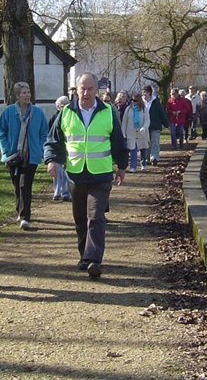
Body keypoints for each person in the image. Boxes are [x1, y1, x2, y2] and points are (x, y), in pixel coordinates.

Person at [44, 72, 128, 279]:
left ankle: (94, 260)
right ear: (76, 90)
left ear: (97, 91)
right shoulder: (66, 113)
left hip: (101, 175)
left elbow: (118, 141)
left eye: (90, 89)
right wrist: (51, 160)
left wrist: (122, 167)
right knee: (80, 219)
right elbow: (53, 140)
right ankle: (84, 257)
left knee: (96, 216)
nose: (86, 93)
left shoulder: (108, 111)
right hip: (76, 175)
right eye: (83, 88)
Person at [0, 81, 49, 230]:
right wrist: (6, 151)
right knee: (16, 185)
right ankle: (19, 211)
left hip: (31, 155)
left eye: (28, 92)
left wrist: (39, 149)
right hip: (13, 156)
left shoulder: (37, 112)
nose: (27, 95)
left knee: (25, 185)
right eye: (24, 93)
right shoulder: (8, 112)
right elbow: (1, 132)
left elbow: (44, 132)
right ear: (18, 95)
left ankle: (25, 217)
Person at [50, 96, 72, 201]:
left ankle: (66, 192)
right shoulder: (54, 118)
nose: (64, 107)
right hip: (57, 150)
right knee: (57, 173)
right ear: (58, 107)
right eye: (62, 105)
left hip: (67, 150)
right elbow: (50, 135)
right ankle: (56, 192)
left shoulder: (71, 117)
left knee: (66, 173)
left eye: (67, 104)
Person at [121, 94, 149, 172]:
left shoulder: (144, 109)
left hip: (141, 133)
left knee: (143, 149)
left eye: (135, 101)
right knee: (132, 149)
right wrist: (123, 132)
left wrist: (144, 127)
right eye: (132, 100)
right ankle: (133, 166)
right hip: (131, 132)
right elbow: (124, 122)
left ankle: (143, 164)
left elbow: (147, 121)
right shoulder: (128, 109)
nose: (133, 102)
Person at [141, 85, 168, 166]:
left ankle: (154, 158)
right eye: (142, 93)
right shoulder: (141, 103)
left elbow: (162, 114)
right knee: (147, 143)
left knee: (155, 141)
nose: (143, 94)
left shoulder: (156, 102)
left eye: (144, 93)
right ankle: (146, 158)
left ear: (149, 93)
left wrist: (167, 124)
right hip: (145, 126)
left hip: (155, 125)